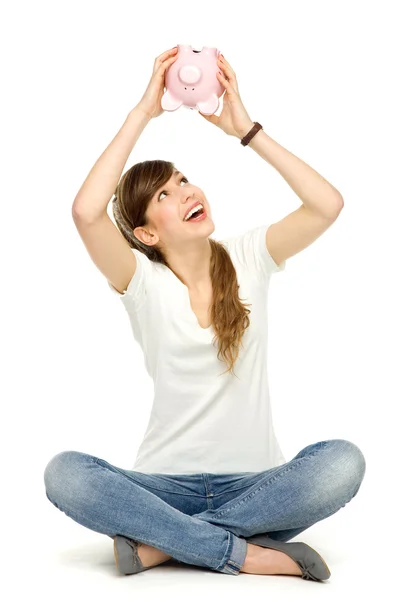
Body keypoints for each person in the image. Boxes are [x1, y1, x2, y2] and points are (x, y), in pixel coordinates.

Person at [44, 46, 366, 580]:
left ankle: (165, 544)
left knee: (343, 462)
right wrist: (144, 112)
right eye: (165, 195)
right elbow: (85, 211)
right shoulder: (140, 281)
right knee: (65, 474)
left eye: (183, 179)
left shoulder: (249, 256)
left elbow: (327, 205)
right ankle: (240, 550)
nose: (187, 191)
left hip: (255, 483)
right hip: (162, 485)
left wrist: (247, 130)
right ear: (146, 233)